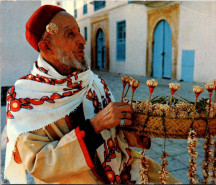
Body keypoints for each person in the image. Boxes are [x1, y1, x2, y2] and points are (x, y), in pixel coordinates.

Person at [4, 5, 181, 184]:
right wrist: (93, 127)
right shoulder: (23, 98)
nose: (83, 40)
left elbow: (111, 134)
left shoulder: (92, 81)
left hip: (123, 171)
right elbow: (39, 164)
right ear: (46, 46)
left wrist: (129, 137)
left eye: (79, 31)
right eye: (70, 34)